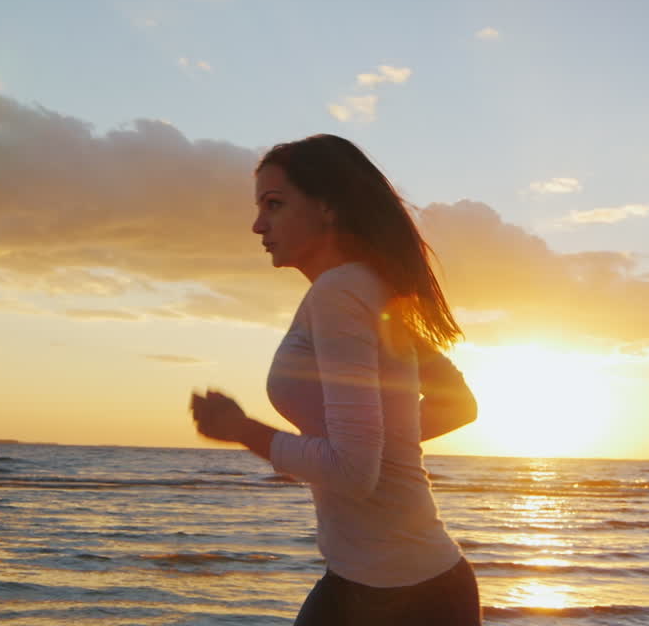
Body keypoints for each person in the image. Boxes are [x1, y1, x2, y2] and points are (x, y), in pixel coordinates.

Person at [190, 134, 482, 625]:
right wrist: (377, 440)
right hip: (380, 581)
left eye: (274, 204)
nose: (258, 224)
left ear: (327, 207)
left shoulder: (341, 293)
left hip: (402, 598)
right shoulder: (370, 288)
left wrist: (243, 430)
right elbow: (457, 404)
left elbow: (352, 472)